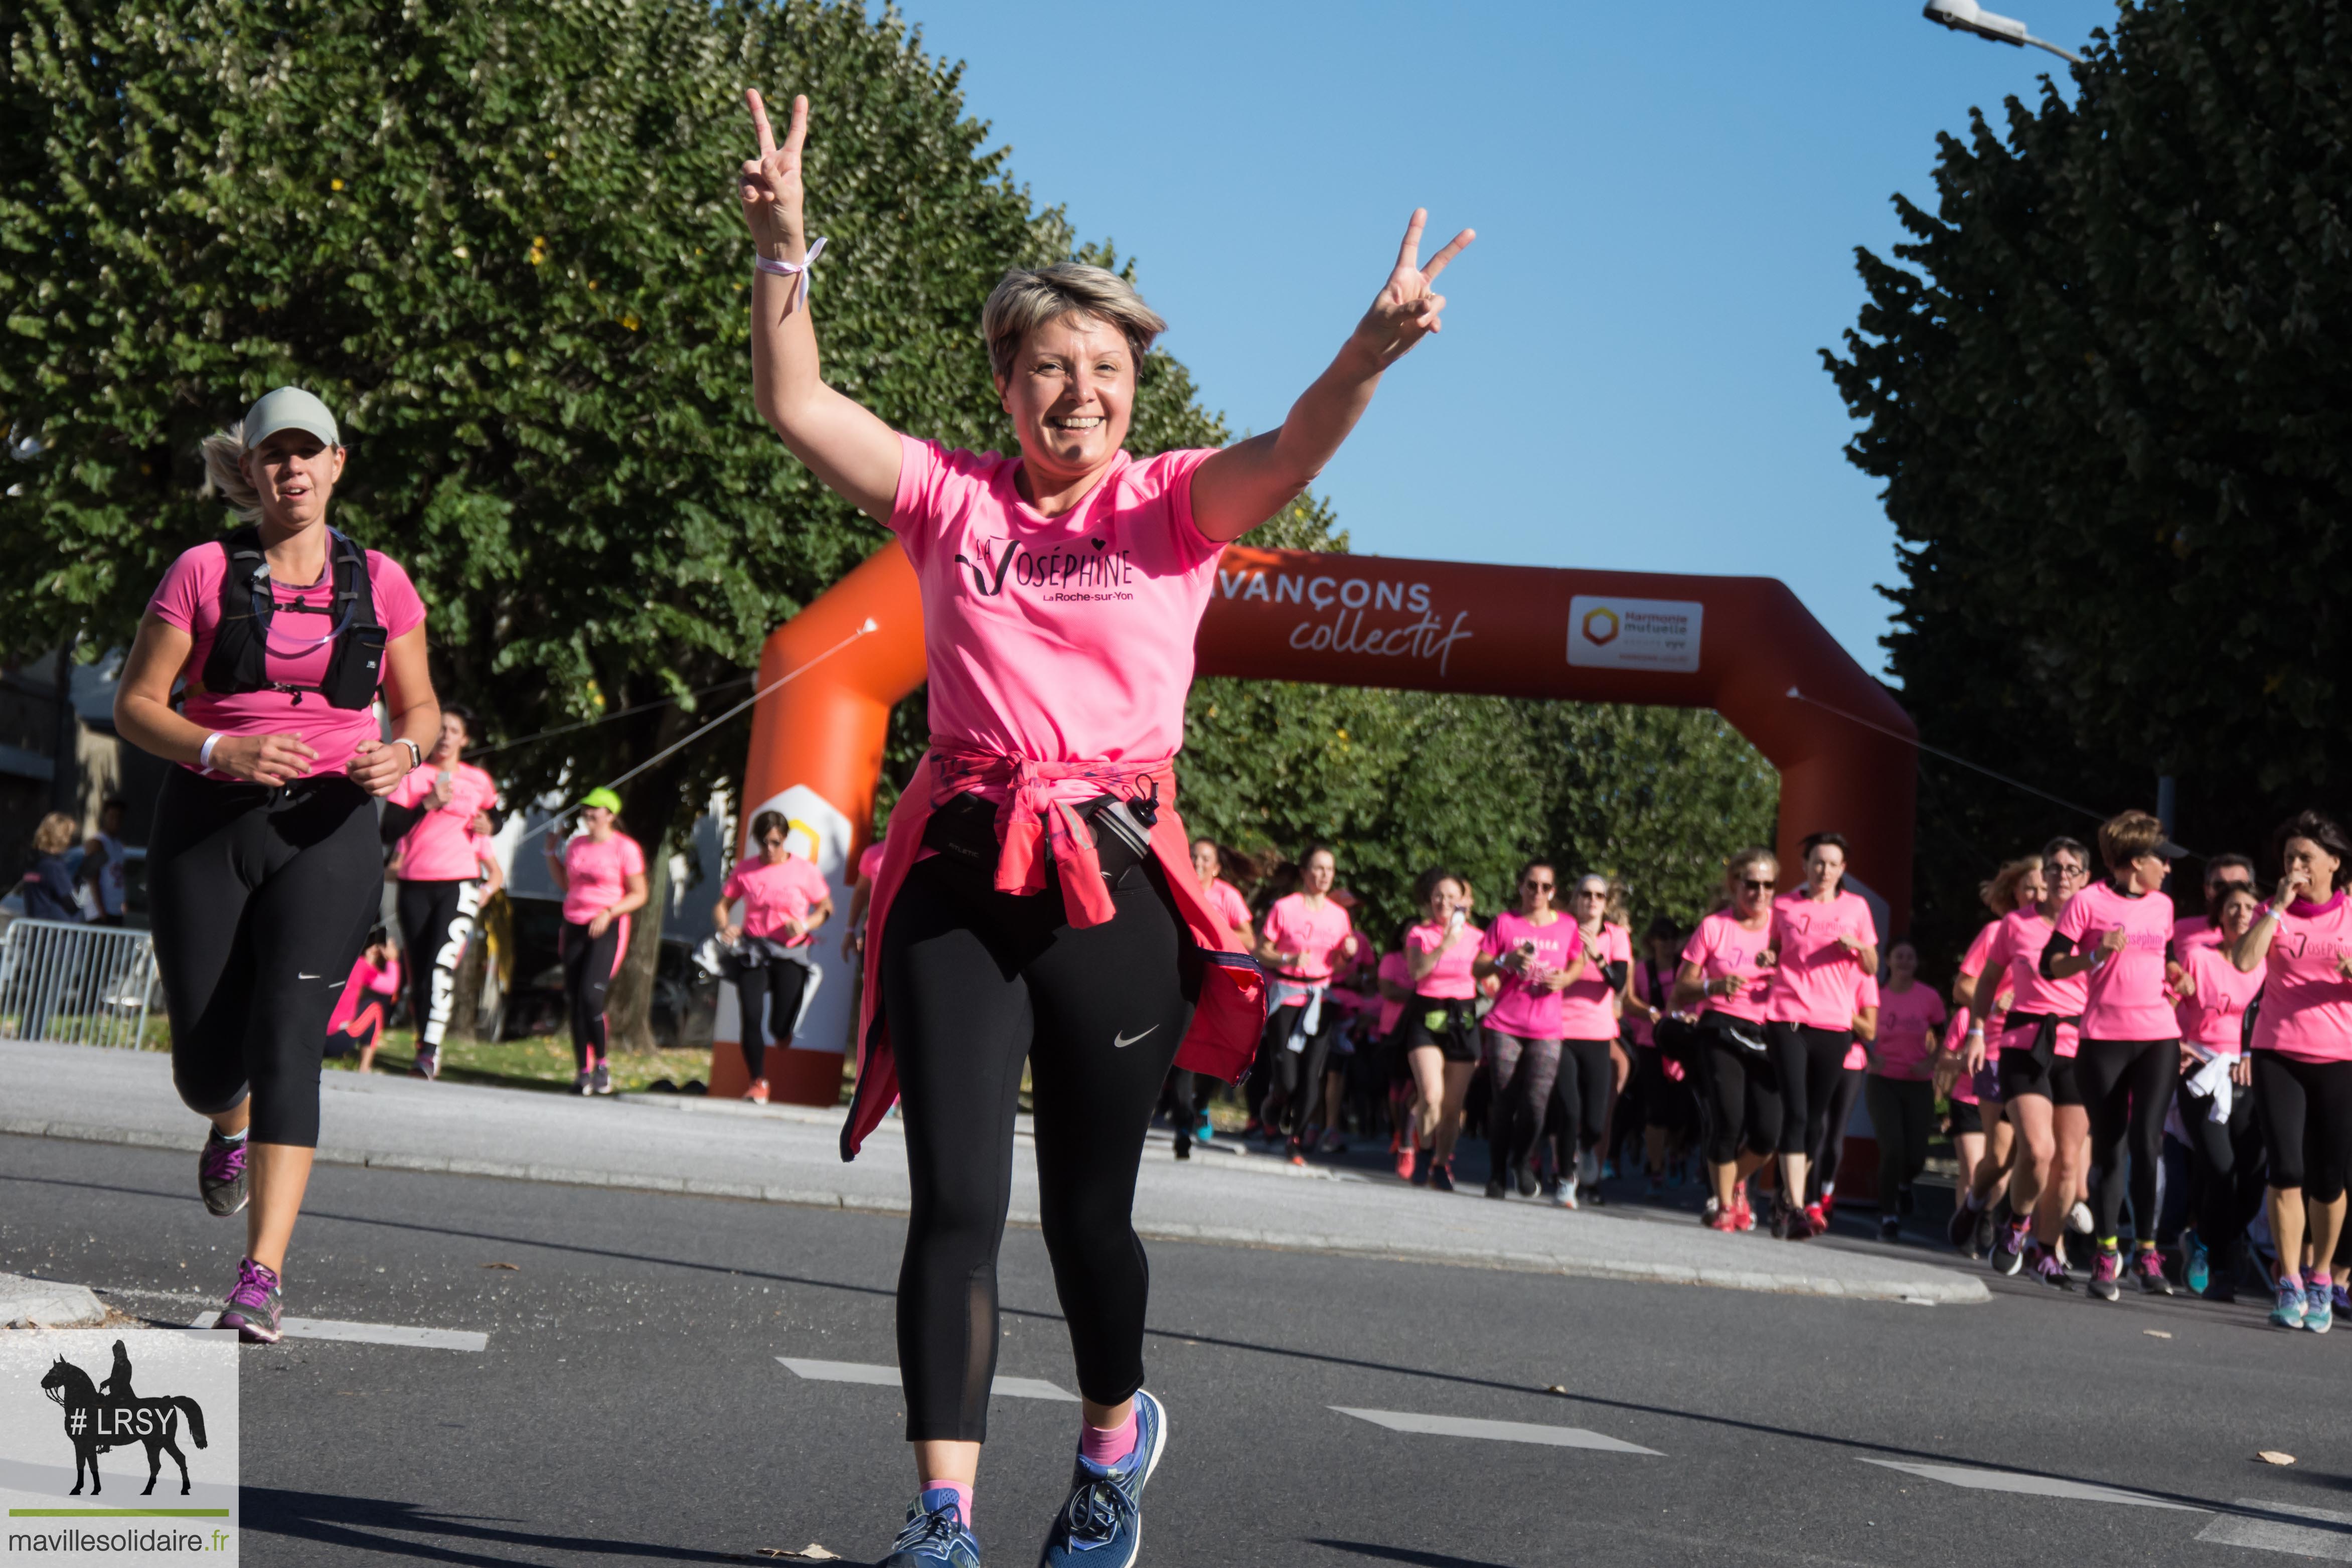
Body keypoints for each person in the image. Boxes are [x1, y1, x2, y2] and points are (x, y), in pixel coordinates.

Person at [735, 84, 1470, 1564]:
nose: (1081, 390)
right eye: (1051, 366)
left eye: (1108, 367)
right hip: (958, 867)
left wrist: (1369, 351)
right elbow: (799, 405)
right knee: (954, 1202)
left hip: (1113, 884)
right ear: (1004, 384)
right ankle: (941, 1516)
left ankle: (1113, 1436)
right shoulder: (952, 502)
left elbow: (1299, 443)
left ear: (1138, 388)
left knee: (1087, 1220)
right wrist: (785, 253)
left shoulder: (1175, 506)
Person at [113, 385, 439, 1344]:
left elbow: (419, 709)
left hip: (332, 828)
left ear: (338, 464)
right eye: (275, 455)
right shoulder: (202, 571)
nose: (293, 469)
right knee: (207, 1069)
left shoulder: (382, 581)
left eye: (310, 452)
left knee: (290, 1037)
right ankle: (226, 1125)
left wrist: (406, 755)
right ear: (250, 471)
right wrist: (221, 751)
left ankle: (262, 1274)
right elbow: (137, 704)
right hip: (211, 819)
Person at [2045, 809, 2181, 1301]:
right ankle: (2106, 1253)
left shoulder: (2163, 905)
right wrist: (2095, 954)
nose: (2168, 869)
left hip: (2158, 1037)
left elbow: (2164, 957)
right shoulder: (2087, 902)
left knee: (2148, 1142)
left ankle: (2147, 1251)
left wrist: (2176, 975)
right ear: (2135, 860)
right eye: (2161, 860)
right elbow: (2052, 965)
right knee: (2110, 1148)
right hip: (2102, 1038)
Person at [2230, 810, 2352, 1333]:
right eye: (2289, 859)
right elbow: (2242, 962)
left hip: (2340, 1057)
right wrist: (2276, 908)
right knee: (2286, 1171)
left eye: (2306, 857)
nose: (2296, 866)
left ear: (2333, 863)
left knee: (2328, 1178)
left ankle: (2322, 1277)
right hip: (2278, 1051)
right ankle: (2289, 1282)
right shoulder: (2271, 909)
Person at [1970, 838, 2094, 1288]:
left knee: (2066, 1162)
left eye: (2071, 868)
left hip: (2078, 1047)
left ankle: (2046, 1250)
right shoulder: (2015, 925)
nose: (2061, 875)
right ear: (2043, 875)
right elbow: (1985, 981)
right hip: (2023, 1044)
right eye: (2053, 867)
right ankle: (2017, 1223)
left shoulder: (2095, 929)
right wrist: (1976, 1031)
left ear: (2085, 879)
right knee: (2037, 1150)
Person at [1763, 832, 1878, 1240]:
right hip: (1786, 1016)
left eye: (1831, 863)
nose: (1823, 870)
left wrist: (1858, 947)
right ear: (1805, 866)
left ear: (1842, 869)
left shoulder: (1856, 908)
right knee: (1794, 1112)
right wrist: (1768, 957)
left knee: (1814, 1122)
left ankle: (1782, 1199)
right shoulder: (1784, 905)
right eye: (1816, 861)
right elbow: (1774, 949)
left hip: (1834, 1024)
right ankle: (1796, 1207)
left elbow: (1871, 963)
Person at [380, 704, 500, 1081]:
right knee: (419, 971)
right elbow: (389, 829)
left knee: (440, 966)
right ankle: (423, 1045)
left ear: (465, 739)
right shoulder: (414, 776)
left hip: (460, 882)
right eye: (441, 729)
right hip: (415, 882)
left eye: (453, 730)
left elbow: (496, 816)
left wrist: (490, 823)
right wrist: (428, 804)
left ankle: (430, 1051)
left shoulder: (478, 780)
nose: (445, 736)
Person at [1675, 848, 1780, 1233]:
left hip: (1768, 1033)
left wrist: (1782, 965)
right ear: (1734, 883)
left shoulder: (1780, 928)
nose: (1759, 892)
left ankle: (1734, 1180)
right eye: (1751, 884)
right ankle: (1722, 1205)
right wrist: (1712, 985)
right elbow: (1681, 990)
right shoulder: (1713, 927)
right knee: (1728, 1121)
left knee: (1769, 1133)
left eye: (1768, 885)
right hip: (1719, 1026)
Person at [2170, 881, 2264, 1301]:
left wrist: (2251, 1052)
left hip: (2249, 1076)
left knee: (2252, 1181)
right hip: (2202, 1074)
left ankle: (2202, 1239)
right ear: (2219, 915)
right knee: (2220, 1171)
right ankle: (2216, 1263)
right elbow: (2162, 1001)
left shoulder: (2266, 964)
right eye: (2234, 906)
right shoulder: (2196, 958)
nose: (2242, 913)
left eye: (2249, 906)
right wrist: (2175, 1042)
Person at [1944, 857, 2036, 1256]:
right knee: (1998, 1157)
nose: (2039, 895)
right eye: (2030, 888)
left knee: (2033, 1151)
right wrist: (1998, 1001)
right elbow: (1963, 987)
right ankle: (1978, 1209)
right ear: (2014, 893)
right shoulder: (1998, 931)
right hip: (1998, 1051)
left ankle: (2011, 1223)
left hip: (2044, 1053)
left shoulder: (2070, 936)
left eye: (2045, 888)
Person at [1473, 861, 1579, 1200]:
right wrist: (1505, 961)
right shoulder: (1505, 923)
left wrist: (1566, 978)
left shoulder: (1566, 925)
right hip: (1505, 1022)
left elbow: (1579, 959)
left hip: (1547, 1026)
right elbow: (1478, 966)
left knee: (1536, 1103)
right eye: (1531, 885)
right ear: (1520, 886)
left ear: (1554, 891)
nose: (1537, 892)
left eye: (1544, 887)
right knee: (1504, 1101)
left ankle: (1521, 1160)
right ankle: (1496, 1176)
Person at [714, 809, 834, 1104]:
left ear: (785, 840)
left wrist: (805, 924)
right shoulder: (746, 869)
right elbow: (722, 906)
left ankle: (785, 1028)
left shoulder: (804, 870)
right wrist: (725, 927)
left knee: (779, 1028)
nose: (769, 849)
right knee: (751, 1013)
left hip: (790, 953)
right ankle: (758, 1081)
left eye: (775, 842)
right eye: (763, 842)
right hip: (755, 950)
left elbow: (826, 908)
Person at [1252, 846, 1358, 1162]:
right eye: (1318, 868)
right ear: (1304, 873)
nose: (1325, 875)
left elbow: (1338, 966)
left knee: (1313, 1075)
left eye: (1330, 870)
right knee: (1288, 1078)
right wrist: (1289, 957)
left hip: (1321, 998)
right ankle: (1274, 1104)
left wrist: (1347, 954)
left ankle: (1296, 1140)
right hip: (1286, 995)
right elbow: (1261, 951)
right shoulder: (1286, 908)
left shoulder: (1340, 916)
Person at [543, 788, 648, 1095]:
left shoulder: (625, 848)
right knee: (575, 1000)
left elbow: (639, 894)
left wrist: (610, 912)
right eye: (586, 808)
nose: (589, 814)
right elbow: (566, 883)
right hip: (574, 923)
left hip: (607, 925)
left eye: (596, 809)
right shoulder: (576, 845)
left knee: (592, 997)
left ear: (611, 815)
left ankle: (602, 1064)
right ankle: (582, 1072)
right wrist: (552, 852)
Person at [1547, 873, 1632, 1208]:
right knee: (1569, 1109)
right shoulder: (1561, 929)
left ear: (1606, 903)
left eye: (1599, 895)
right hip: (1560, 1030)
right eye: (1585, 894)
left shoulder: (1616, 937)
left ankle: (1586, 1151)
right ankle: (1566, 1181)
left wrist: (1596, 955)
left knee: (1595, 1121)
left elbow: (1618, 983)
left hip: (1598, 1034)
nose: (1592, 900)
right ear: (1575, 898)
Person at [1399, 869, 1481, 1192]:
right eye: (1438, 895)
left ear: (1464, 902)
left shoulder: (1479, 937)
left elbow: (1490, 976)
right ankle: (1425, 1151)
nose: (1443, 901)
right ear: (1429, 900)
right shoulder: (1420, 934)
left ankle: (1441, 1163)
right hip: (1427, 1016)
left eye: (1451, 896)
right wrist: (1445, 945)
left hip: (1463, 1019)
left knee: (1452, 1107)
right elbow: (1417, 971)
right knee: (1431, 1095)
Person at [1865, 940, 1946, 1240]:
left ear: (1916, 963)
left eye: (1910, 957)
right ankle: (1888, 1216)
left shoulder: (1929, 997)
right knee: (1892, 1150)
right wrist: (1871, 1056)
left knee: (1916, 1156)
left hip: (1918, 1083)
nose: (1904, 962)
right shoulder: (1877, 996)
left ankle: (1904, 1185)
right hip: (1883, 1080)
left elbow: (1942, 1033)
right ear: (1887, 961)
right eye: (1898, 956)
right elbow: (1856, 1029)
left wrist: (1931, 1062)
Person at [324, 928, 402, 1073]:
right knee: (375, 1009)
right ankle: (364, 1068)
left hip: (310, 1036)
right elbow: (390, 987)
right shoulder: (360, 965)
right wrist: (393, 961)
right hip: (336, 1039)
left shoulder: (329, 959)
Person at [21, 812, 84, 921]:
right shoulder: (53, 867)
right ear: (63, 837)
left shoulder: (34, 863)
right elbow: (74, 904)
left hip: (37, 930)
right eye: (70, 835)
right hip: (57, 934)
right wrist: (84, 879)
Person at [82, 798, 130, 925]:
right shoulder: (98, 843)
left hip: (116, 909)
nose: (115, 821)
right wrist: (101, 909)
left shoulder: (119, 845)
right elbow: (92, 877)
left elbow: (118, 875)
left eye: (119, 818)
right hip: (100, 911)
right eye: (112, 817)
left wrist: (123, 903)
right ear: (105, 817)